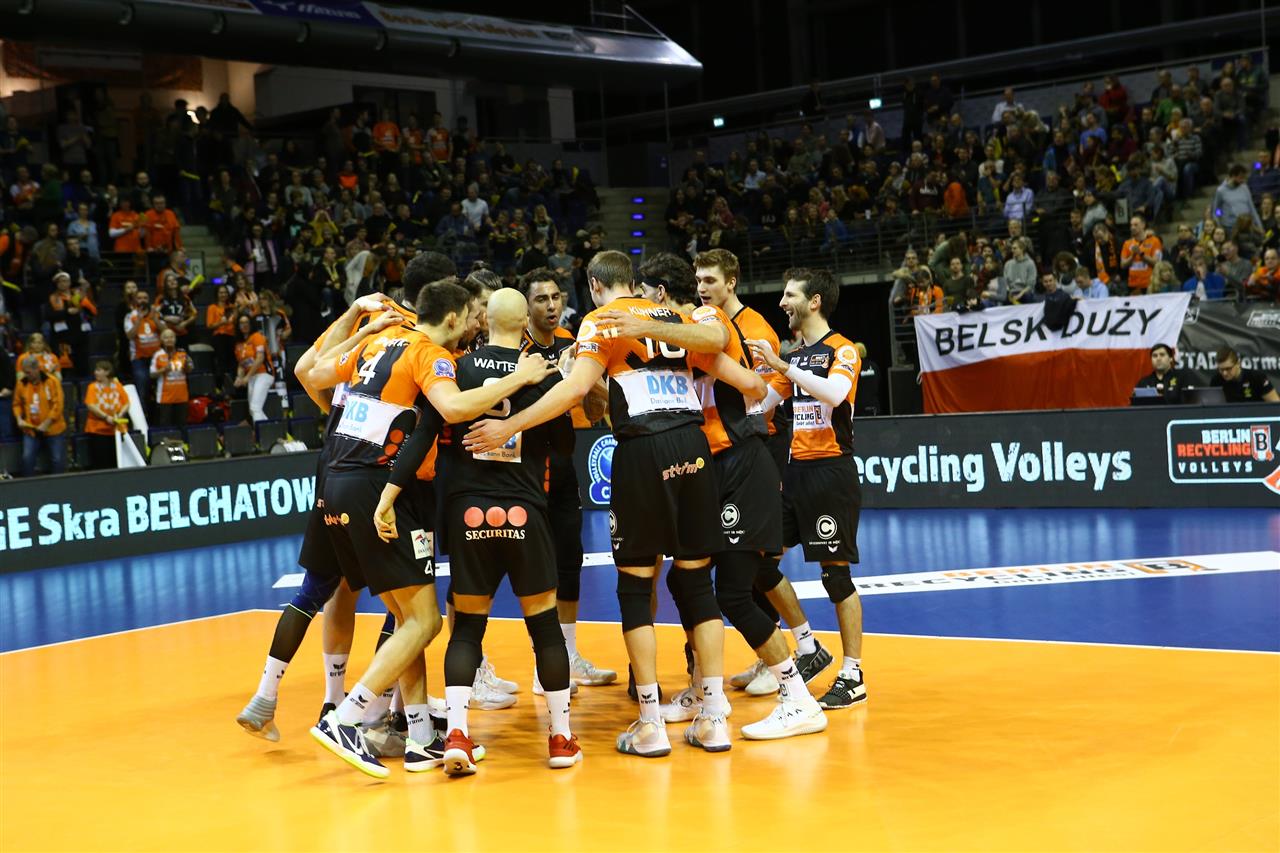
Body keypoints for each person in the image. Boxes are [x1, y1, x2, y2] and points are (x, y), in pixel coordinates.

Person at [463, 250, 765, 758]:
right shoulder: (675, 318)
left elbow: (576, 390)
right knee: (697, 585)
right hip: (693, 447)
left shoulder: (602, 320)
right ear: (634, 281)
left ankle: (650, 722)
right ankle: (714, 718)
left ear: (595, 286)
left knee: (635, 587)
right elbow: (747, 381)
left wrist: (510, 424)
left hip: (642, 451)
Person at [304, 278, 555, 779]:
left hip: (336, 479)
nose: (476, 323)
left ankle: (420, 736)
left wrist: (358, 327)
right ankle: (346, 717)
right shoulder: (430, 354)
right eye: (471, 316)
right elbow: (455, 409)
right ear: (453, 317)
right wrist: (521, 376)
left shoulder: (380, 342)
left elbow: (311, 374)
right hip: (378, 483)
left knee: (406, 618)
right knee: (426, 622)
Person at [235, 253, 458, 751]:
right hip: (382, 473)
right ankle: (373, 715)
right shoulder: (423, 340)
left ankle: (298, 699)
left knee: (326, 589)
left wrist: (354, 314)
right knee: (408, 604)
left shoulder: (369, 323)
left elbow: (306, 372)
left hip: (335, 462)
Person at [639, 250, 825, 741]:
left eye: (644, 296)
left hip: (743, 461)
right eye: (698, 280)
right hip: (710, 468)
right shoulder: (675, 337)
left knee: (735, 592)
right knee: (686, 580)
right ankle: (704, 691)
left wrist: (639, 324)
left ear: (660, 294)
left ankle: (798, 698)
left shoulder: (707, 319)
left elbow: (722, 350)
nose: (639, 305)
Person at [417, 288, 583, 774]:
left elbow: (436, 434)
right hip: (524, 511)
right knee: (545, 628)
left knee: (467, 628)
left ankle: (457, 735)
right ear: (526, 320)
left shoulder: (458, 370)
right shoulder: (542, 373)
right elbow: (564, 445)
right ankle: (560, 738)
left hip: (469, 513)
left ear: (484, 319)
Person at [746, 268, 869, 710]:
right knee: (760, 564)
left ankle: (853, 675)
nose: (782, 302)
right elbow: (761, 406)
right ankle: (807, 645)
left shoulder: (843, 350)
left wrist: (784, 366)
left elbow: (835, 394)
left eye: (790, 295)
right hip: (795, 473)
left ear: (814, 301)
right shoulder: (796, 358)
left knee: (836, 577)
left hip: (831, 473)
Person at [517, 269, 614, 691]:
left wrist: (586, 381)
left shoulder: (571, 342)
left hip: (563, 468)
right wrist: (555, 376)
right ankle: (544, 664)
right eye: (542, 299)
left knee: (570, 562)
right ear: (526, 307)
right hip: (524, 473)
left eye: (556, 297)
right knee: (534, 570)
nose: (552, 305)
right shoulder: (516, 349)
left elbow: (593, 412)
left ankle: (568, 656)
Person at [13, 354, 66, 477]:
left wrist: (47, 423)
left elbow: (58, 405)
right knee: (27, 458)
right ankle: (28, 486)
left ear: (37, 368)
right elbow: (17, 404)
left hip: (53, 429)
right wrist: (19, 418)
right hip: (31, 429)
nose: (26, 375)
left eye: (28, 372)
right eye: (24, 372)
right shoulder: (21, 383)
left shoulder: (52, 381)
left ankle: (59, 485)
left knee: (57, 459)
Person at [124, 290, 162, 406]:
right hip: (139, 359)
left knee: (161, 390)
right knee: (142, 390)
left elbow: (166, 331)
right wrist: (139, 320)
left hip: (157, 357)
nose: (143, 300)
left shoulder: (156, 313)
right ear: (135, 300)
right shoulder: (130, 316)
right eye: (140, 298)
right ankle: (143, 415)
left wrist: (155, 319)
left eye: (145, 298)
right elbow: (129, 335)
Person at [233, 313, 272, 423]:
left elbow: (260, 358)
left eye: (246, 322)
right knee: (253, 410)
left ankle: (265, 432)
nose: (244, 325)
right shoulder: (239, 344)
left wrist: (246, 378)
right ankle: (271, 430)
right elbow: (241, 365)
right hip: (251, 377)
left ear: (251, 324)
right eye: (241, 323)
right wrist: (239, 378)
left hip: (264, 374)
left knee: (255, 407)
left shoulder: (257, 337)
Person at [149, 328, 191, 427]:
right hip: (165, 398)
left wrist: (186, 367)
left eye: (171, 337)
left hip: (182, 396)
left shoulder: (182, 353)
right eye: (166, 337)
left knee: (182, 425)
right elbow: (152, 374)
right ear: (161, 340)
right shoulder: (158, 355)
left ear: (175, 339)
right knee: (166, 427)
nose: (169, 339)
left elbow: (190, 369)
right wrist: (164, 370)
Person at [1211, 346, 1279, 402]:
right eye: (1221, 369)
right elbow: (1213, 409)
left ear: (1238, 364)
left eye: (1228, 368)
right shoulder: (1216, 381)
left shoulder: (1257, 378)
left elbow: (1275, 405)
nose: (1224, 373)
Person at [1121, 215, 1163, 293]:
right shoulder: (1127, 243)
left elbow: (1157, 262)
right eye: (1131, 225)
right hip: (1133, 285)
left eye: (1136, 225)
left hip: (1150, 284)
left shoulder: (1155, 241)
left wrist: (1141, 254)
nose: (1132, 227)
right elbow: (1123, 265)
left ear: (1143, 225)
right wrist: (1133, 256)